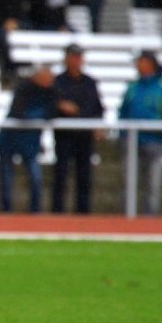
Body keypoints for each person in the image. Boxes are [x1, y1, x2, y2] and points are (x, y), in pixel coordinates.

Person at [118, 51, 162, 216]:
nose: (137, 65)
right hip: (131, 142)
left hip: (153, 142)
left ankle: (149, 220)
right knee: (128, 182)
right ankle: (127, 218)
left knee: (152, 184)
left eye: (140, 61)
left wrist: (160, 138)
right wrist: (123, 136)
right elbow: (123, 112)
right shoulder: (133, 87)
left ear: (149, 64)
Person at [51, 45, 104, 214]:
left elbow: (97, 107)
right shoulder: (58, 82)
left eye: (78, 57)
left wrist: (97, 124)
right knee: (61, 175)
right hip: (64, 135)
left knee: (84, 177)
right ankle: (57, 212)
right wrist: (61, 106)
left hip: (84, 136)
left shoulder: (89, 82)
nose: (76, 60)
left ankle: (83, 214)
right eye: (73, 57)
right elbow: (50, 104)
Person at [0, 66, 58, 213]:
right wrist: (39, 115)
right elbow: (19, 112)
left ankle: (34, 212)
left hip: (30, 142)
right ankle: (6, 211)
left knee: (35, 178)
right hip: (11, 139)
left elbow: (52, 113)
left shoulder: (51, 92)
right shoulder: (24, 88)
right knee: (7, 179)